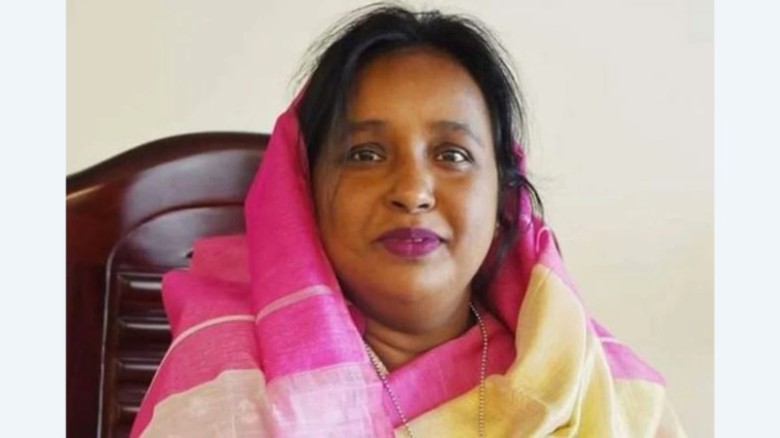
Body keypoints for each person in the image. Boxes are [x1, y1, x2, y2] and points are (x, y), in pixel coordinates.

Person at [131, 5, 686, 437]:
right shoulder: (226, 384)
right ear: (304, 198)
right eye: (365, 154)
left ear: (502, 201)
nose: (412, 191)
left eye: (452, 155)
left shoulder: (593, 384)